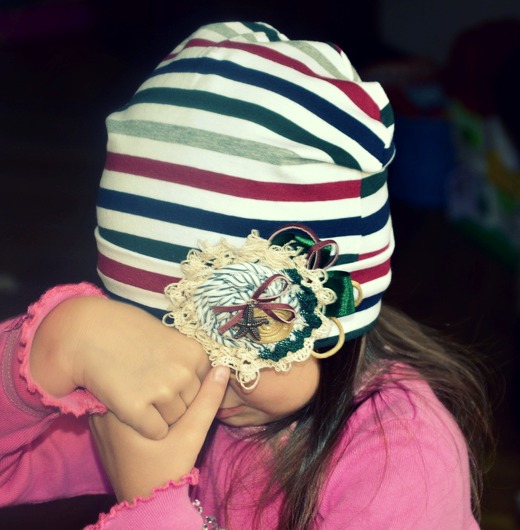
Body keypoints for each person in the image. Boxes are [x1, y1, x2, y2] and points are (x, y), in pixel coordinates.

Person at [0, 21, 493, 529]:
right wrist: (53, 349)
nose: (189, 364)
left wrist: (150, 504)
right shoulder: (163, 386)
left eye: (234, 331)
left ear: (322, 313)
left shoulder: (400, 460)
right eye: (152, 325)